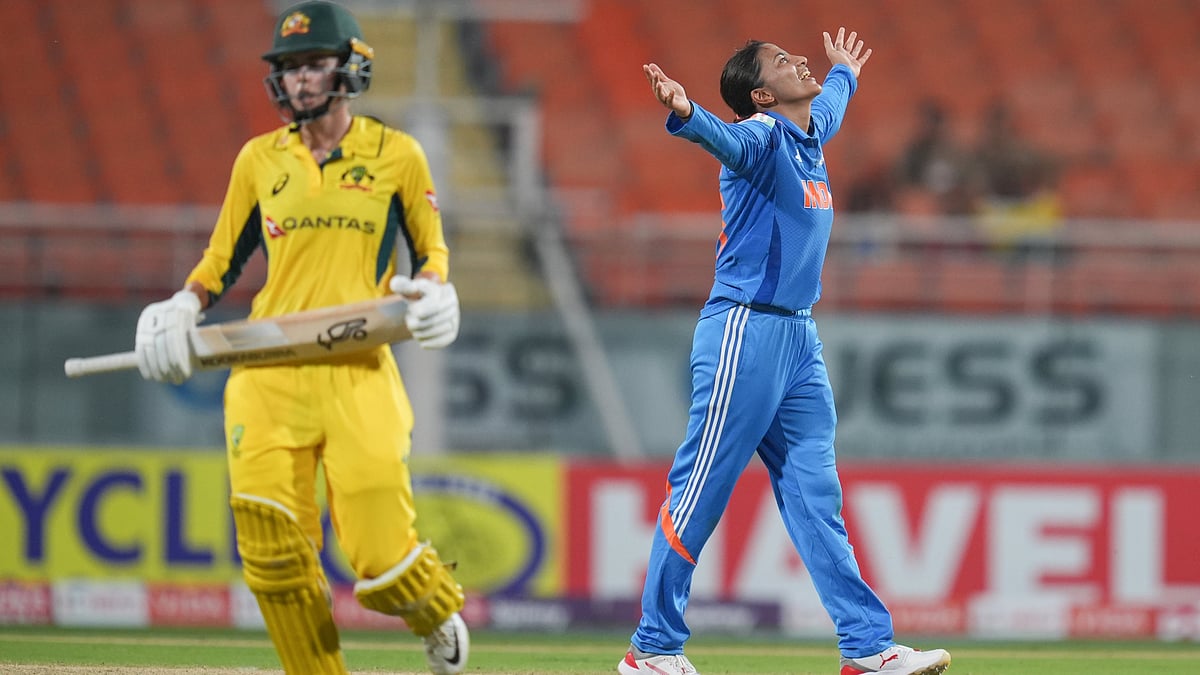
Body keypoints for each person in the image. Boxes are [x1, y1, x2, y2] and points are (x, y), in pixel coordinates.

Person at [132, 2, 468, 673]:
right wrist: (183, 304)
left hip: (357, 367)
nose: (300, 80)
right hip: (267, 371)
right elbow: (221, 259)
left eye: (314, 64)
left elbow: (430, 250)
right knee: (272, 555)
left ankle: (435, 612)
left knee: (381, 560)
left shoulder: (396, 154)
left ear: (351, 68)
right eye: (289, 68)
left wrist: (435, 288)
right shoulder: (260, 159)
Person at [622, 29, 952, 675]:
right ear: (763, 95)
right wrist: (686, 112)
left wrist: (845, 73)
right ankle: (652, 649)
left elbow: (829, 107)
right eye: (781, 61)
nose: (799, 59)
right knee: (700, 492)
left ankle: (868, 647)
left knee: (815, 494)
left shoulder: (807, 135)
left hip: (798, 339)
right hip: (743, 331)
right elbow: (726, 139)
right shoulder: (762, 136)